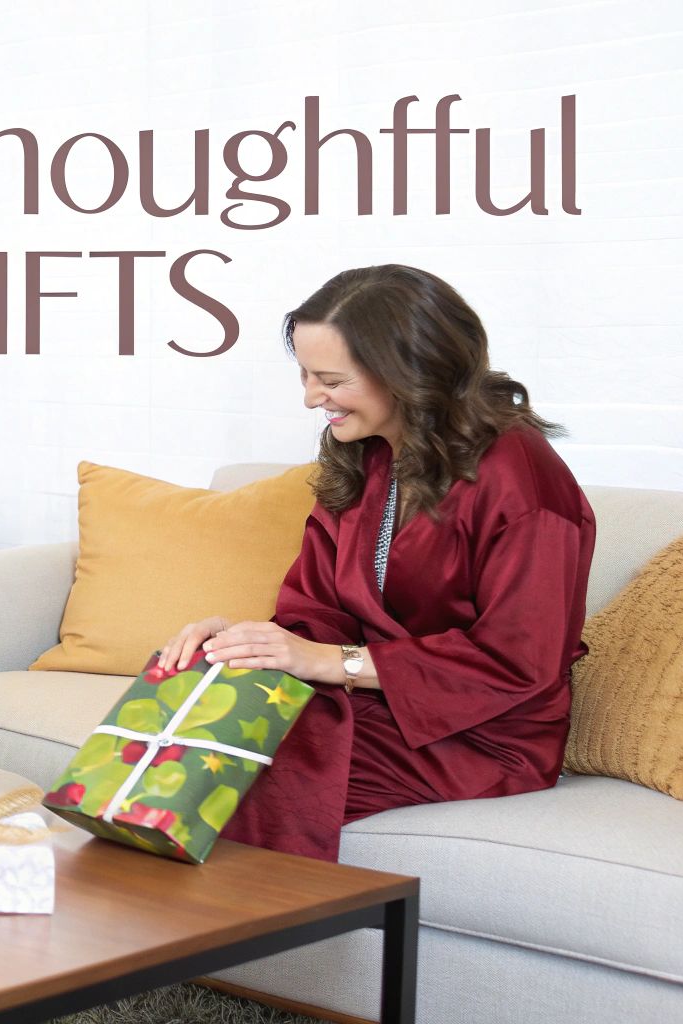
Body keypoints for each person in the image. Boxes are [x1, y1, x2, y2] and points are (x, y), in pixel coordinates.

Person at [158, 264, 596, 862]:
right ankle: (129, 932)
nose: (312, 398)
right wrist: (246, 645)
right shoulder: (366, 454)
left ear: (411, 373)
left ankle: (199, 937)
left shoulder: (520, 478)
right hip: (371, 701)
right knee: (186, 700)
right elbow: (316, 607)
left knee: (234, 772)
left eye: (331, 380)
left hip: (476, 733)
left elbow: (518, 662)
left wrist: (326, 661)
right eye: (307, 376)